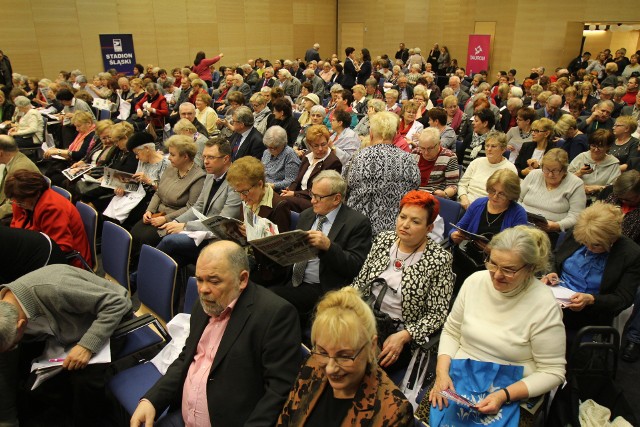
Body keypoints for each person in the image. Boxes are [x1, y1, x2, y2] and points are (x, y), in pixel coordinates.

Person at [130, 240, 302, 427]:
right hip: (184, 415)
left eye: (214, 281)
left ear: (242, 279)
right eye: (200, 280)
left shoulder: (275, 315)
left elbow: (279, 392)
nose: (203, 289)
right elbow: (187, 358)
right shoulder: (204, 304)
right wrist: (152, 400)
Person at [425, 226, 565, 424]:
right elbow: (452, 331)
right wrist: (441, 373)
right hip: (459, 375)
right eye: (493, 263)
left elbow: (553, 371)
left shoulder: (544, 305)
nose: (497, 275)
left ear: (531, 268)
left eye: (509, 270)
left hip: (513, 387)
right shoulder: (475, 282)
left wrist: (504, 395)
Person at [0, 264, 132, 427]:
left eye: (13, 343)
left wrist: (86, 346)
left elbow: (117, 303)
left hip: (112, 320)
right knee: (33, 379)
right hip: (70, 326)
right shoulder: (6, 309)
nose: (14, 346)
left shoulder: (56, 288)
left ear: (21, 325)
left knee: (84, 380)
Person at [276, 287, 414, 427]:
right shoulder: (312, 366)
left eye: (344, 357)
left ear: (371, 347)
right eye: (323, 352)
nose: (330, 369)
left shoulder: (393, 412)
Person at [351, 191, 453, 373]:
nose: (405, 225)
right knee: (332, 345)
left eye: (415, 222)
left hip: (399, 331)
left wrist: (406, 336)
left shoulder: (439, 259)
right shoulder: (384, 240)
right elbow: (360, 281)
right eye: (402, 217)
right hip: (364, 316)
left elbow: (437, 314)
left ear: (429, 228)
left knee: (359, 364)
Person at [271, 170, 372, 325]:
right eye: (312, 194)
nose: (312, 201)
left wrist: (329, 247)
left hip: (322, 287)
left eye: (318, 197)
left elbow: (355, 267)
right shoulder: (307, 215)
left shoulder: (357, 223)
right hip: (292, 279)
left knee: (270, 300)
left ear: (336, 198)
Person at [542, 203, 640, 337]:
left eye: (596, 245)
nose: (588, 248)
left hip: (590, 313)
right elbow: (555, 258)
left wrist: (591, 299)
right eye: (585, 243)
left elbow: (623, 299)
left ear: (612, 238)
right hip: (555, 300)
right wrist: (552, 273)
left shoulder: (630, 254)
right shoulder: (581, 232)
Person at [156, 137, 242, 268]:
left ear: (225, 159)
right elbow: (199, 206)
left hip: (217, 238)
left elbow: (223, 223)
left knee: (169, 242)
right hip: (200, 231)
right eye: (204, 157)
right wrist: (176, 222)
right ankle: (141, 280)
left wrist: (185, 226)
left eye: (211, 157)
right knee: (172, 260)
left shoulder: (236, 182)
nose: (206, 162)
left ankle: (134, 279)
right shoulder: (210, 175)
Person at [450, 169, 528, 293]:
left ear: (511, 195)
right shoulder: (478, 204)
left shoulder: (518, 214)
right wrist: (454, 235)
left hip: (495, 268)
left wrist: (493, 251)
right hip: (466, 258)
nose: (495, 196)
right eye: (492, 191)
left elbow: (518, 250)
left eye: (502, 194)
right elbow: (458, 227)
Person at [130, 135, 205, 259]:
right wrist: (149, 211)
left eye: (172, 155)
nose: (168, 158)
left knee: (146, 239)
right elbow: (158, 193)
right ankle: (132, 265)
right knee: (134, 233)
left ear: (185, 156)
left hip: (175, 219)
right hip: (157, 214)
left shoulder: (198, 177)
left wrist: (166, 219)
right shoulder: (171, 168)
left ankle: (143, 269)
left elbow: (191, 208)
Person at [344, 112, 420, 236]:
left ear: (371, 134)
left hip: (358, 230)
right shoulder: (410, 159)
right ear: (395, 135)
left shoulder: (359, 157)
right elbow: (414, 190)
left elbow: (344, 190)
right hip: (395, 232)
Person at [226, 156, 292, 287]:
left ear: (260, 184)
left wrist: (253, 235)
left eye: (245, 191)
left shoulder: (279, 206)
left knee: (225, 280)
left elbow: (281, 253)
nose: (242, 197)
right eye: (238, 192)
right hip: (245, 257)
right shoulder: (247, 201)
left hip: (265, 268)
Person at [5, 170, 92, 268]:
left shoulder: (52, 208)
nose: (17, 204)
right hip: (35, 252)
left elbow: (61, 248)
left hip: (67, 264)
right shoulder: (20, 201)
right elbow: (16, 227)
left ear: (35, 193)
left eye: (20, 202)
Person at [520, 148, 586, 236]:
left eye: (555, 171)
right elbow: (516, 198)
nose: (550, 175)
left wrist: (557, 225)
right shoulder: (534, 174)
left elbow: (576, 216)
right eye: (546, 169)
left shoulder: (575, 184)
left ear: (564, 169)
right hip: (521, 223)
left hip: (552, 233)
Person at [281, 125, 342, 212]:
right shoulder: (307, 156)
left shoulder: (333, 162)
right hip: (299, 196)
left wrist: (294, 194)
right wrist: (289, 190)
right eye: (316, 146)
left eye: (323, 144)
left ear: (328, 142)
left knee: (282, 202)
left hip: (316, 200)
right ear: (309, 145)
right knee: (278, 197)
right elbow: (297, 180)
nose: (320, 149)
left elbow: (321, 191)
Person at [458, 131, 517, 209]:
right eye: (487, 146)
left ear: (503, 149)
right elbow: (462, 184)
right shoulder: (476, 162)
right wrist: (464, 198)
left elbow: (508, 197)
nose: (489, 149)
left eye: (493, 146)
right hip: (466, 203)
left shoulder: (510, 169)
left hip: (489, 207)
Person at [568, 129, 621, 200]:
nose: (596, 149)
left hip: (602, 200)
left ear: (608, 147)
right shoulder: (581, 157)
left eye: (600, 146)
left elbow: (615, 187)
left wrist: (598, 188)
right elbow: (566, 179)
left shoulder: (613, 163)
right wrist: (579, 173)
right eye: (593, 146)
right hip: (577, 196)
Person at [0, 135, 40, 221]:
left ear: (0, 153)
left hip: (23, 215)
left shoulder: (19, 170)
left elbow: (16, 204)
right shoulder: (14, 160)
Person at [416, 127, 459, 198]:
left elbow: (453, 185)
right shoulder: (415, 153)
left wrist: (445, 193)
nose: (426, 152)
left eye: (430, 148)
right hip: (413, 194)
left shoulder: (449, 157)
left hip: (433, 197)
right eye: (422, 148)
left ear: (439, 144)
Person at [262, 125, 301, 192]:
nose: (272, 150)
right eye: (269, 147)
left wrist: (273, 185)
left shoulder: (289, 154)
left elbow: (291, 181)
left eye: (275, 147)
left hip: (278, 191)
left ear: (284, 143)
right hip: (263, 187)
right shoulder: (266, 152)